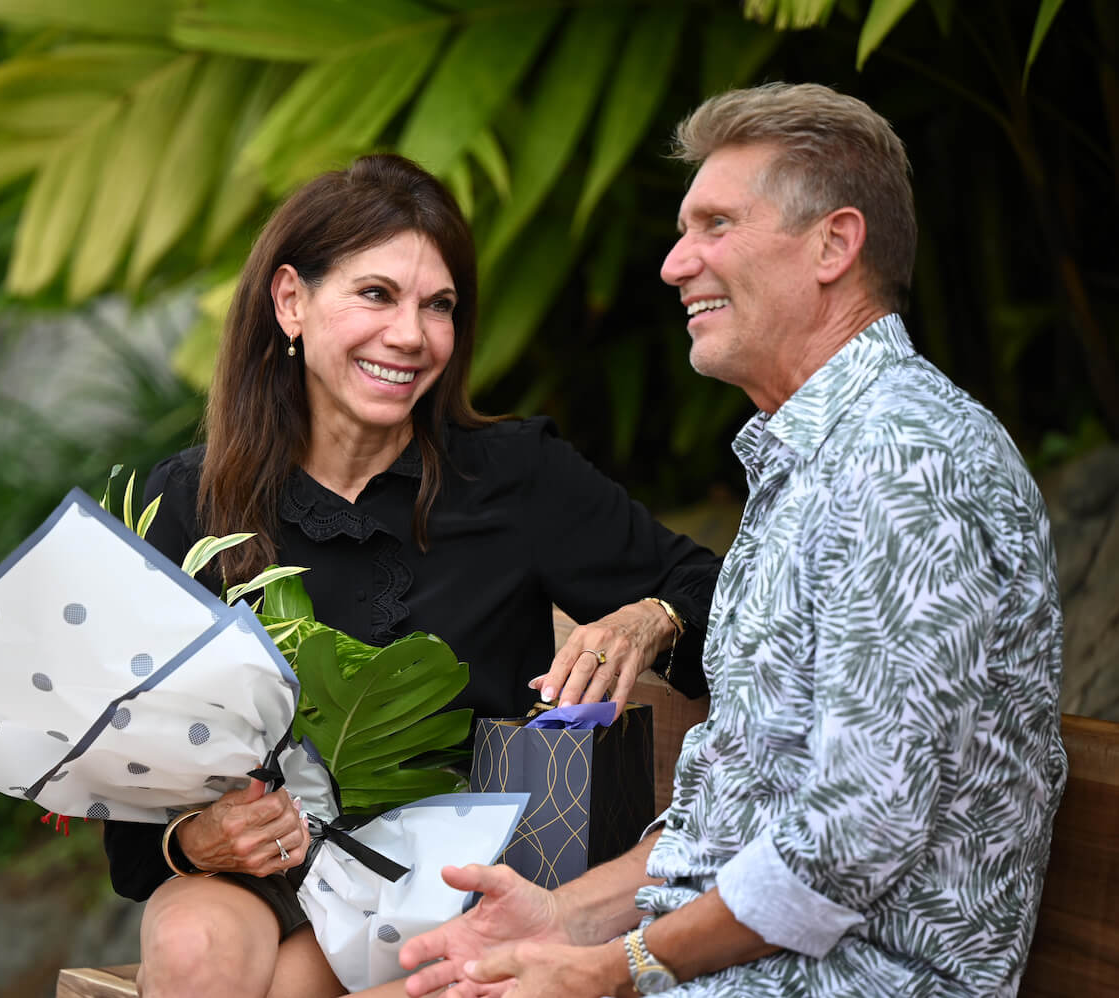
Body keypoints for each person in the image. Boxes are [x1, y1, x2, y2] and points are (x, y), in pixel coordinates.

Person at [399, 82, 1068, 997]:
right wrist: (564, 917)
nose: (676, 264)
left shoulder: (908, 463)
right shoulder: (809, 461)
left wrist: (608, 970)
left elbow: (844, 845)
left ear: (835, 243)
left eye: (715, 225)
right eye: (683, 231)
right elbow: (734, 816)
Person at [101, 154, 723, 998]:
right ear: (290, 301)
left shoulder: (513, 478)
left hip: (447, 880)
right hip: (264, 873)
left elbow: (724, 594)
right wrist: (195, 840)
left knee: (292, 985)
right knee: (191, 944)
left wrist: (649, 616)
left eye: (439, 307)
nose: (411, 335)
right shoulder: (190, 500)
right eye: (376, 295)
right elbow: (135, 805)